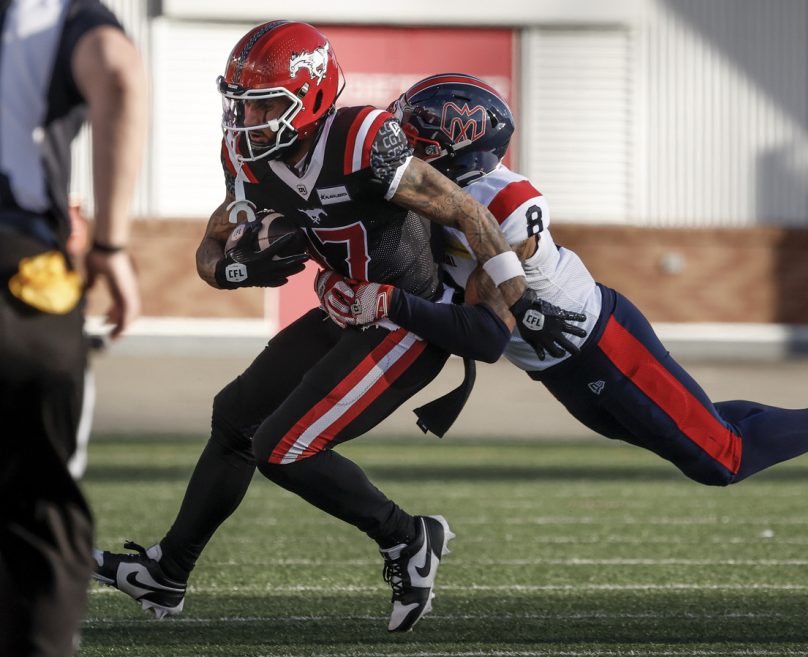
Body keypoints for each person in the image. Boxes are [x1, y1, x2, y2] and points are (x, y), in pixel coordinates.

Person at [92, 21, 584, 634]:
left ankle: (409, 538)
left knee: (283, 447)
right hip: (347, 308)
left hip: (406, 320)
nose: (249, 119)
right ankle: (167, 573)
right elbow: (210, 252)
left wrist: (517, 298)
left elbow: (466, 210)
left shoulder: (362, 139)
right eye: (242, 103)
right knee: (235, 417)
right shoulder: (244, 154)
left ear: (313, 97)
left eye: (267, 103)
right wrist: (237, 266)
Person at [318, 73, 808, 496]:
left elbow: (490, 326)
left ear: (460, 151)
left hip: (597, 342)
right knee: (697, 429)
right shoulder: (436, 193)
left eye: (417, 137)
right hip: (560, 364)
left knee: (721, 460)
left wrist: (389, 303)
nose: (401, 148)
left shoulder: (502, 201)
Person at [0, 0, 146, 654]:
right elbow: (118, 73)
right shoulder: (48, 12)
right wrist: (110, 247)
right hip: (18, 274)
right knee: (40, 516)